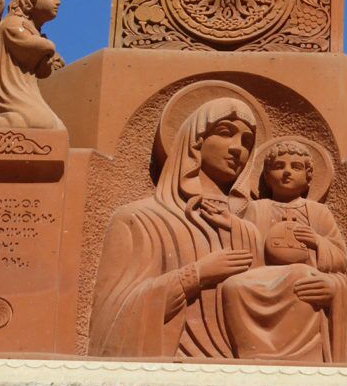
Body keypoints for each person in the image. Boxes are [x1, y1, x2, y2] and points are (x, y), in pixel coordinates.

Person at [88, 98, 262, 358]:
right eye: (225, 133)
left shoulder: (247, 231)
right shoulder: (140, 219)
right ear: (195, 142)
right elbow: (112, 319)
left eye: (247, 142)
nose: (238, 149)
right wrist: (196, 274)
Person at [221, 140, 347, 363]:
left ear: (309, 176)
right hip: (262, 276)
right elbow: (244, 244)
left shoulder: (318, 212)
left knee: (301, 276)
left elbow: (340, 260)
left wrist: (317, 241)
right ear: (268, 176)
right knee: (233, 286)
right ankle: (254, 352)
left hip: (299, 275)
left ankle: (302, 355)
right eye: (279, 166)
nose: (287, 172)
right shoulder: (256, 208)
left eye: (296, 167)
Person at [0, 0, 65, 131]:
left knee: (57, 128)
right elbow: (34, 45)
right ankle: (2, 122)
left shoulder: (33, 29)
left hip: (28, 92)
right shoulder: (11, 24)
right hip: (14, 95)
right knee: (44, 125)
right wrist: (48, 47)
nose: (58, 2)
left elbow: (43, 72)